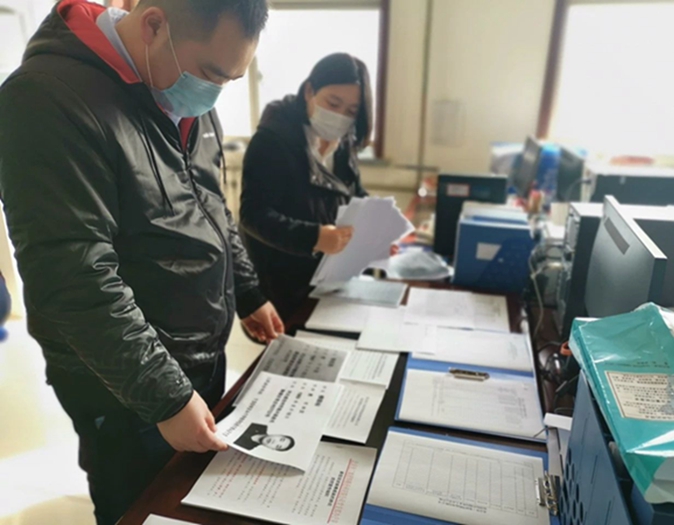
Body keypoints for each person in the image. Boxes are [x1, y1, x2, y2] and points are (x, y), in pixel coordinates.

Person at [0, 1, 284, 524]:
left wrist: (249, 292)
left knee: (192, 506)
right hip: (123, 383)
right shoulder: (46, 98)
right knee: (138, 505)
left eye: (230, 79)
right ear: (155, 24)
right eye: (211, 74)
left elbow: (211, 206)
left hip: (198, 357)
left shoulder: (180, 83)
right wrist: (166, 397)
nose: (214, 92)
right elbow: (73, 274)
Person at [240, 53, 396, 320]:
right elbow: (253, 216)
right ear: (309, 91)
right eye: (333, 103)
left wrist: (376, 228)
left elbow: (354, 193)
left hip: (330, 280)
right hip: (282, 286)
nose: (339, 117)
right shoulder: (272, 142)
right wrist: (314, 238)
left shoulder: (344, 142)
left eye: (351, 111)